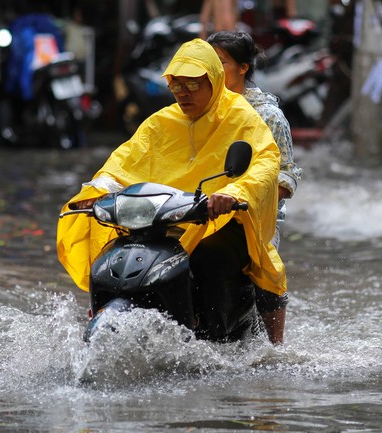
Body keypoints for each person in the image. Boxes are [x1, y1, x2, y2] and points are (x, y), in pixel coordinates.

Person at [57, 38, 286, 342]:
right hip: (164, 220)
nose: (182, 93)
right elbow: (125, 160)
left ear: (214, 81)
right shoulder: (161, 122)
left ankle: (225, 341)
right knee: (114, 249)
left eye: (192, 84)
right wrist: (100, 189)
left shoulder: (244, 118)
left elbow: (266, 163)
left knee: (211, 257)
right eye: (176, 85)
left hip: (220, 220)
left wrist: (235, 193)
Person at [207, 31, 302, 344]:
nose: (214, 71)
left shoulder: (267, 115)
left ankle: (275, 348)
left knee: (264, 265)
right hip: (200, 207)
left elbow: (286, 174)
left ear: (243, 68)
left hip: (253, 214)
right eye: (209, 63)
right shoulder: (198, 109)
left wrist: (252, 199)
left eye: (221, 63)